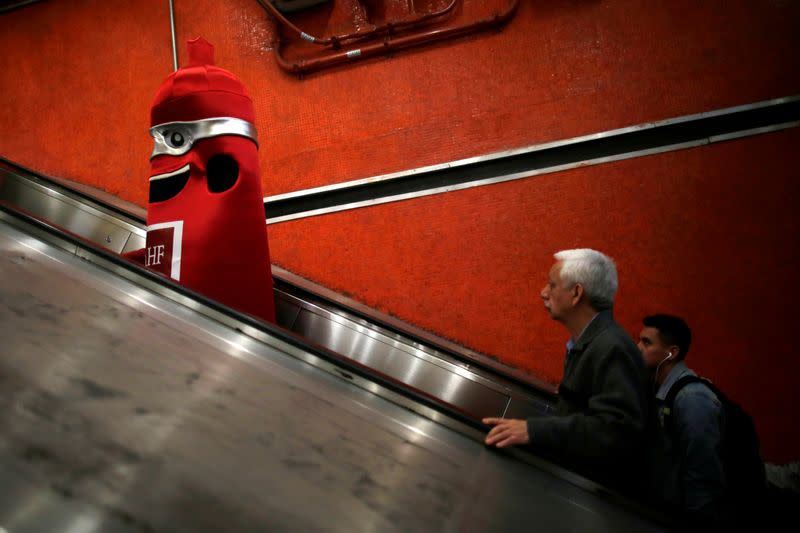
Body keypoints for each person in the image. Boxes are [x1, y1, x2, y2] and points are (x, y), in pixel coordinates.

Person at [483, 249, 648, 490]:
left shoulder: (612, 347)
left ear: (576, 293)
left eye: (552, 285)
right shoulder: (592, 341)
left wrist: (535, 430)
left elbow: (615, 431)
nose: (543, 293)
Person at [637, 314, 725, 527]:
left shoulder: (692, 399)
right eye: (639, 340)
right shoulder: (658, 390)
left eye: (646, 342)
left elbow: (702, 478)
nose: (637, 347)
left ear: (671, 353)